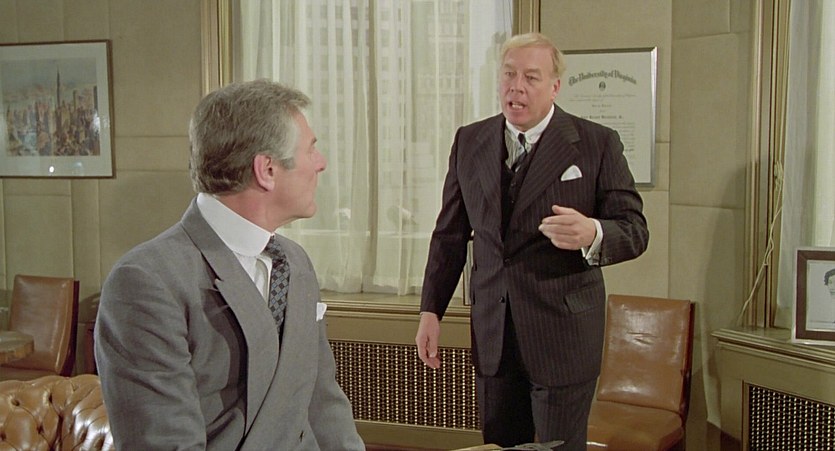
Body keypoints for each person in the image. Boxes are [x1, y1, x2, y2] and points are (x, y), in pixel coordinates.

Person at [95, 80, 365, 450]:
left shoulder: (295, 262)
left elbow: (322, 402)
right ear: (266, 170)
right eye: (310, 149)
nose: (321, 163)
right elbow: (165, 443)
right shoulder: (146, 281)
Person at [415, 33, 649, 450]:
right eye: (509, 75)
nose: (516, 87)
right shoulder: (469, 141)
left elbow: (634, 229)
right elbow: (449, 235)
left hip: (563, 337)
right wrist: (431, 310)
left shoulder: (596, 143)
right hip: (494, 335)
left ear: (555, 86)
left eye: (530, 77)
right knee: (500, 446)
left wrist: (592, 233)